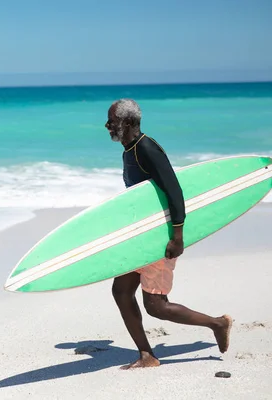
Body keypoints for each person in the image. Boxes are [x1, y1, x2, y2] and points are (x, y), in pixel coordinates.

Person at [105, 99, 232, 369]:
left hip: (160, 238)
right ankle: (147, 355)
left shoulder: (147, 148)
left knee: (156, 306)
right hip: (143, 237)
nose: (107, 126)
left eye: (112, 121)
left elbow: (174, 190)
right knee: (121, 291)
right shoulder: (130, 150)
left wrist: (177, 235)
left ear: (127, 122)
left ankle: (218, 323)